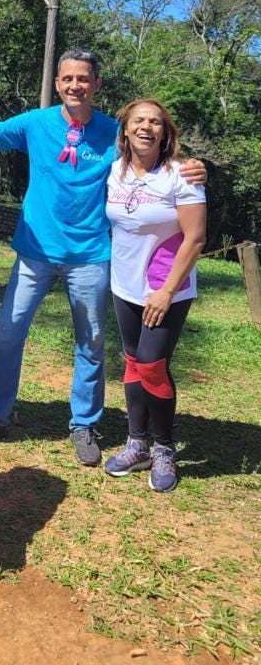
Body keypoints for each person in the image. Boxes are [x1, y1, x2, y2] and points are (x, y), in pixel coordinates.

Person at [0, 50, 206, 467]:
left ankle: (84, 423)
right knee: (8, 334)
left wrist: (192, 167)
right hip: (34, 251)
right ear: (57, 83)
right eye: (67, 78)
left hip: (92, 255)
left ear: (97, 86)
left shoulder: (116, 134)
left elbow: (155, 160)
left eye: (83, 79)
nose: (75, 85)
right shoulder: (34, 123)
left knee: (91, 343)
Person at [103, 100, 205, 493]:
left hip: (167, 290)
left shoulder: (181, 175)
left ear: (165, 133)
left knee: (152, 364)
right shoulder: (115, 171)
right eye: (139, 121)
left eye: (156, 122)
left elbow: (195, 237)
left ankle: (164, 448)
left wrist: (165, 292)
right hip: (123, 284)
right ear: (125, 129)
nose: (147, 127)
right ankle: (136, 444)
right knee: (132, 361)